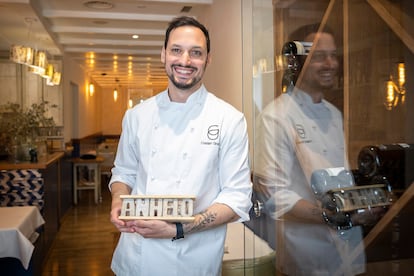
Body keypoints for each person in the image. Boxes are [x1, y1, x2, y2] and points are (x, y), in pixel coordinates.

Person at [109, 16, 252, 276]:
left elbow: (237, 198)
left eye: (196, 53)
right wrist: (119, 199)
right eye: (176, 50)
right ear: (163, 54)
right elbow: (123, 172)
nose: (185, 61)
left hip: (195, 260)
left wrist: (177, 229)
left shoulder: (229, 119)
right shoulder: (137, 116)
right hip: (137, 256)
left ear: (208, 59)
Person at [253, 23, 367, 275]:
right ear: (296, 62)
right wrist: (335, 215)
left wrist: (362, 205)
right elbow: (274, 197)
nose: (330, 63)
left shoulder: (334, 114)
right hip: (305, 257)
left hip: (349, 251)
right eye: (318, 56)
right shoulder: (276, 117)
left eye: (333, 55)